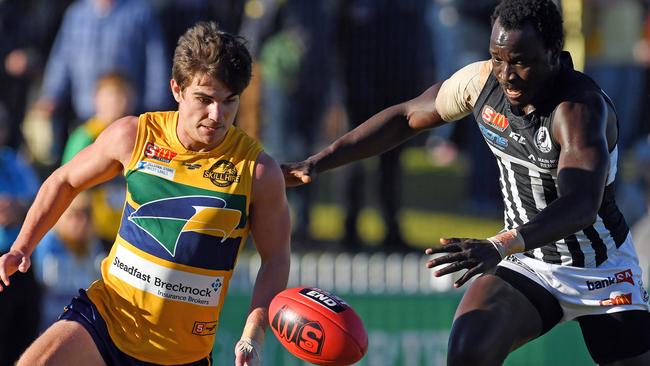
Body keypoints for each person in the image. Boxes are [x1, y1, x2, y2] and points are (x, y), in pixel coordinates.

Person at [282, 0, 650, 364]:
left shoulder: (579, 109)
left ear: (554, 53)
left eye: (520, 61)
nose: (506, 74)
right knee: (468, 352)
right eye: (497, 57)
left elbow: (580, 206)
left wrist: (499, 244)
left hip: (601, 271)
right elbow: (406, 118)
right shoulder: (481, 81)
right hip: (528, 263)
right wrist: (319, 162)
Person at [0, 21, 291, 366]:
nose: (217, 115)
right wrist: (22, 245)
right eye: (205, 99)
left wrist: (252, 334)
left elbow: (275, 257)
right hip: (108, 319)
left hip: (180, 354)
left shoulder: (257, 171)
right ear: (177, 90)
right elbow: (65, 181)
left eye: (230, 102)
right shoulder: (135, 136)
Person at [61, 72, 135, 251]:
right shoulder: (85, 136)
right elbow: (69, 183)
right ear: (96, 99)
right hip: (94, 231)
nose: (118, 102)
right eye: (112, 95)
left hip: (126, 230)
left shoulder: (135, 134)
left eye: (123, 95)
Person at [0, 103, 42, 366]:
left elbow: (39, 200)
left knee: (22, 335)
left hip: (18, 260)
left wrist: (18, 207)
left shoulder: (12, 161)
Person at [32, 192, 105, 331]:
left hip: (85, 326)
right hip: (51, 324)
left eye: (87, 215)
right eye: (74, 215)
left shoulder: (95, 245)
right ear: (60, 216)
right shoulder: (47, 245)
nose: (81, 221)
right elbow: (47, 280)